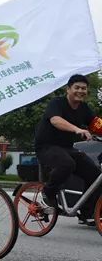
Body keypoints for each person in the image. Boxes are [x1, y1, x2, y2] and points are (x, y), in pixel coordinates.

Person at [34, 74, 101, 224]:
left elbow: (96, 124)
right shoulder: (57, 103)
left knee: (96, 175)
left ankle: (87, 213)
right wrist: (77, 129)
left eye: (83, 88)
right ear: (68, 89)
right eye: (77, 87)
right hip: (46, 147)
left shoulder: (84, 108)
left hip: (66, 148)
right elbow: (56, 121)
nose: (80, 91)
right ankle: (47, 193)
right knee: (67, 164)